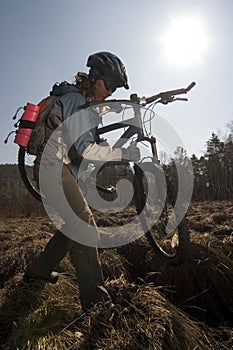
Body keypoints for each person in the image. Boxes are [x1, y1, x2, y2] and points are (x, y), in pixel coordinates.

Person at [23, 51, 140, 311]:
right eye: (108, 84)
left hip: (57, 168)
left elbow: (79, 147)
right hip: (53, 169)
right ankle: (97, 303)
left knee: (71, 227)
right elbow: (85, 152)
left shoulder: (82, 105)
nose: (110, 91)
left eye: (115, 88)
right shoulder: (76, 101)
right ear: (95, 78)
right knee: (84, 223)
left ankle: (37, 271)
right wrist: (123, 154)